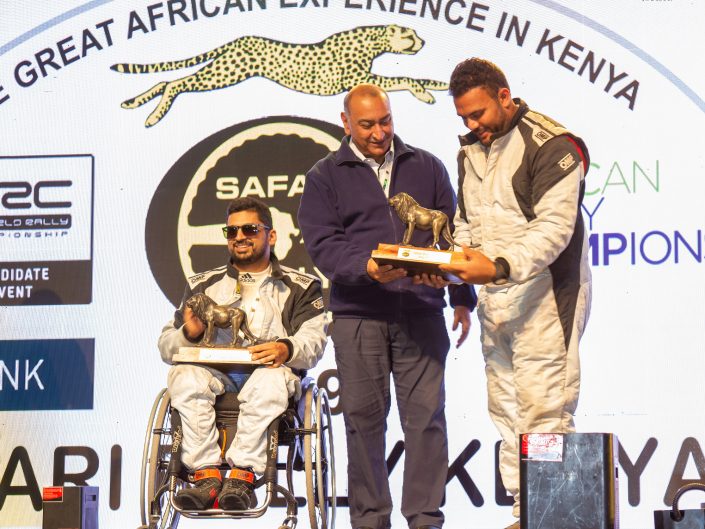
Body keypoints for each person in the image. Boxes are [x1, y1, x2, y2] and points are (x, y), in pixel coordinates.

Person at [298, 83, 476, 529]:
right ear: (345, 123)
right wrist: (366, 268)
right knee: (363, 424)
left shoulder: (427, 165)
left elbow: (452, 234)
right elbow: (322, 245)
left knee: (427, 423)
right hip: (359, 315)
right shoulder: (324, 175)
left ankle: (425, 520)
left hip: (421, 310)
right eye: (367, 125)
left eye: (385, 121)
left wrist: (460, 296)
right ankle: (371, 520)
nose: (379, 132)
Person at [439, 58, 592, 529]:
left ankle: (547, 517)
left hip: (546, 296)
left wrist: (499, 265)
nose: (472, 125)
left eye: (479, 113)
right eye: (464, 117)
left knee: (544, 408)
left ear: (504, 96)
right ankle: (526, 511)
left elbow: (553, 229)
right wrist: (450, 270)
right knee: (506, 408)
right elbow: (467, 226)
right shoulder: (470, 151)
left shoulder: (553, 145)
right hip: (495, 299)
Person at [158, 197, 327, 511]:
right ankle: (205, 476)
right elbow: (167, 347)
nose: (239, 237)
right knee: (181, 375)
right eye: (231, 231)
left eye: (249, 229)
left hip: (270, 374)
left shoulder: (302, 286)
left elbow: (314, 340)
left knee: (271, 379)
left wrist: (286, 348)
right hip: (216, 378)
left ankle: (242, 477)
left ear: (270, 235)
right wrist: (189, 333)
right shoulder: (202, 285)